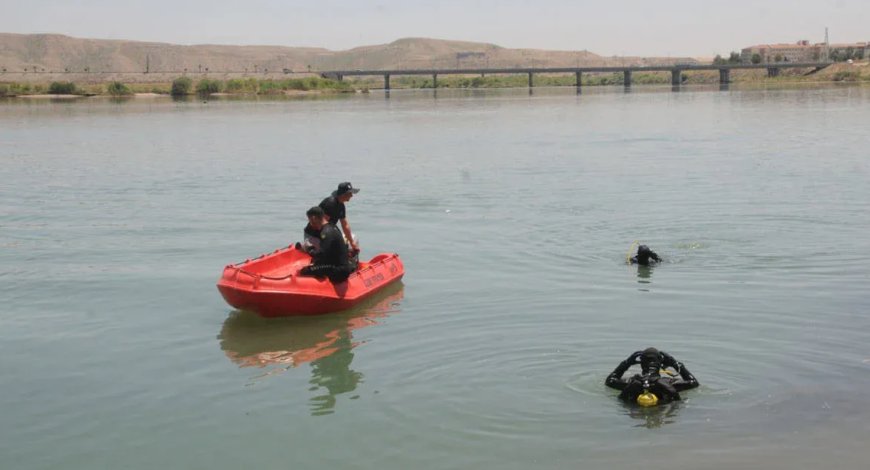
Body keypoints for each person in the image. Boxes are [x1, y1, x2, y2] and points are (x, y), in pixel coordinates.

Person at [605, 347, 699, 407]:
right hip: (662, 410)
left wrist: (626, 363)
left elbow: (610, 381)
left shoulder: (632, 382)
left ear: (641, 364)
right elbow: (693, 382)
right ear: (661, 364)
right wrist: (675, 363)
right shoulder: (669, 383)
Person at [299, 207, 357, 283]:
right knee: (317, 264)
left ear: (314, 218)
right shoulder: (332, 227)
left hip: (338, 271)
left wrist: (308, 250)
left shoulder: (325, 233)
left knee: (304, 271)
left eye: (310, 220)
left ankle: (323, 285)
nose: (310, 223)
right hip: (341, 266)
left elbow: (322, 254)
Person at [319, 182, 360, 254]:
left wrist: (352, 242)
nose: (352, 196)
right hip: (319, 232)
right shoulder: (331, 203)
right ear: (344, 194)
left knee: (352, 238)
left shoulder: (341, 205)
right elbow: (322, 225)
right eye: (350, 194)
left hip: (330, 229)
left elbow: (345, 225)